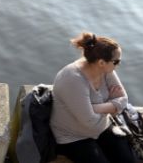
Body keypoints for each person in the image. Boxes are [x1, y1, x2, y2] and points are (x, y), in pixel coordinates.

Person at [49, 32, 135, 163]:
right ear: (101, 62)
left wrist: (93, 108)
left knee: (128, 160)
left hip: (102, 127)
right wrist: (111, 105)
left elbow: (123, 100)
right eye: (116, 61)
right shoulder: (73, 79)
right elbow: (90, 123)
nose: (118, 65)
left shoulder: (105, 70)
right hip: (72, 137)